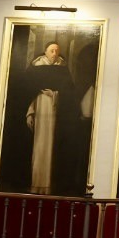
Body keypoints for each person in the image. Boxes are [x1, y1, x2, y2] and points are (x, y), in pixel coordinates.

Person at [25, 41, 75, 195]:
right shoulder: (36, 67)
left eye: (57, 51)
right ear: (45, 52)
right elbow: (27, 91)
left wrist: (54, 94)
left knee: (51, 147)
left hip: (54, 110)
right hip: (39, 107)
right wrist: (30, 112)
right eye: (51, 50)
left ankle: (48, 186)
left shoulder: (62, 68)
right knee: (39, 146)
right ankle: (35, 184)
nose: (54, 54)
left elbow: (69, 91)